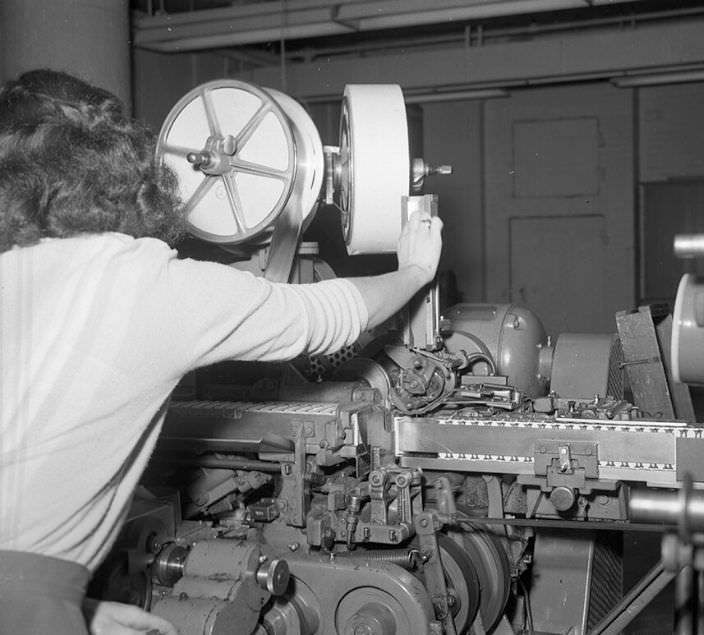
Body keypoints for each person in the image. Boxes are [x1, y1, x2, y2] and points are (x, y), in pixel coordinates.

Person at [0, 69, 443, 634]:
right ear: (121, 168)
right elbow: (326, 316)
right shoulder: (140, 282)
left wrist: (74, 605)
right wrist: (414, 269)